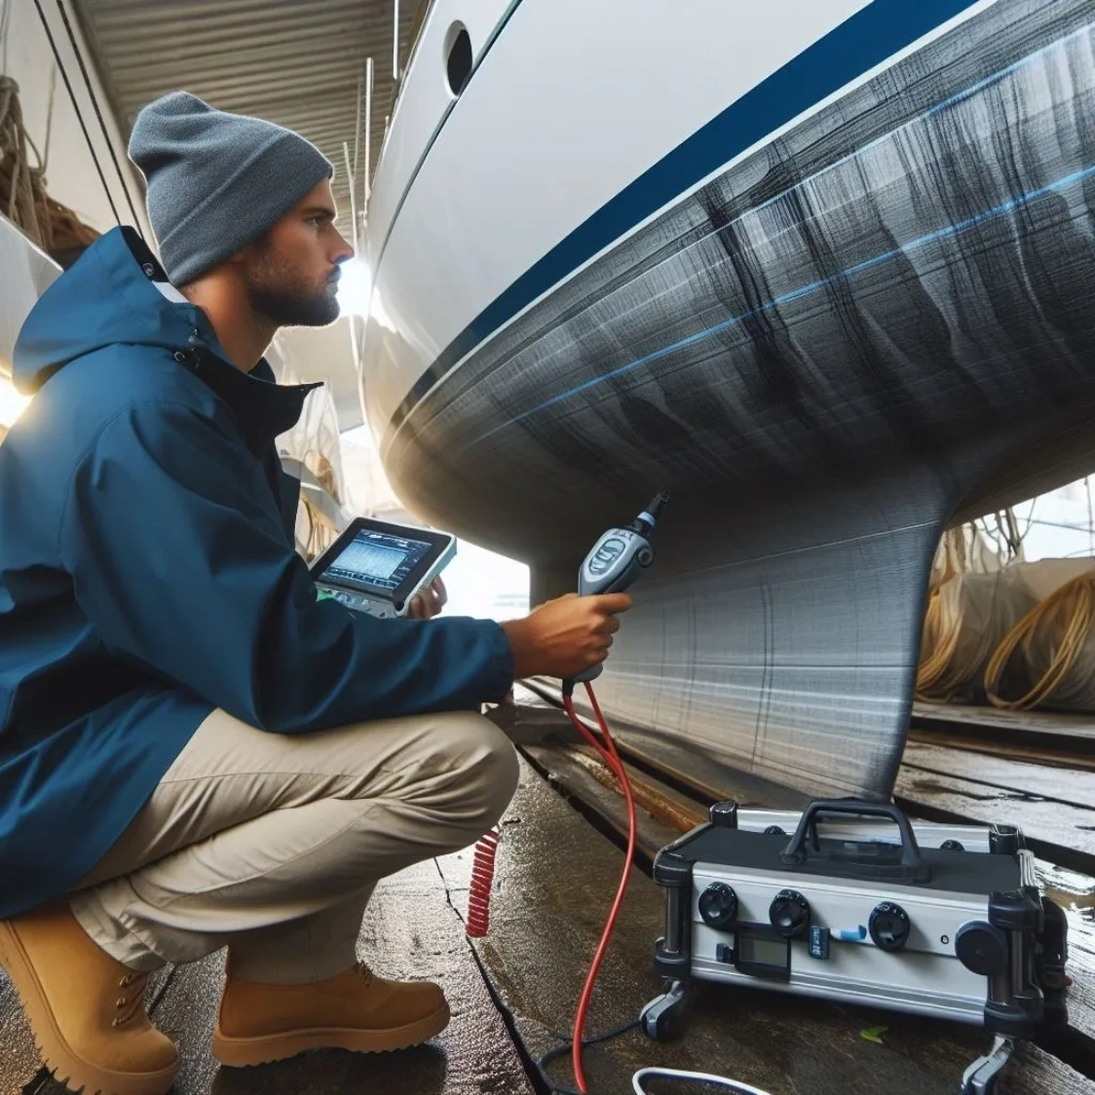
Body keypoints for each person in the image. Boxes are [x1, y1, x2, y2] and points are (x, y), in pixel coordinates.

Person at [0, 91, 632, 1095]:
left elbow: (238, 628)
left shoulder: (186, 395)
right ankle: (92, 935)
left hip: (101, 731)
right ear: (240, 237)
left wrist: (364, 624)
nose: (342, 246)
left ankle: (291, 984)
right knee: (458, 763)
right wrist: (512, 645)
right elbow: (280, 671)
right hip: (38, 777)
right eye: (317, 218)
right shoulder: (139, 411)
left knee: (394, 687)